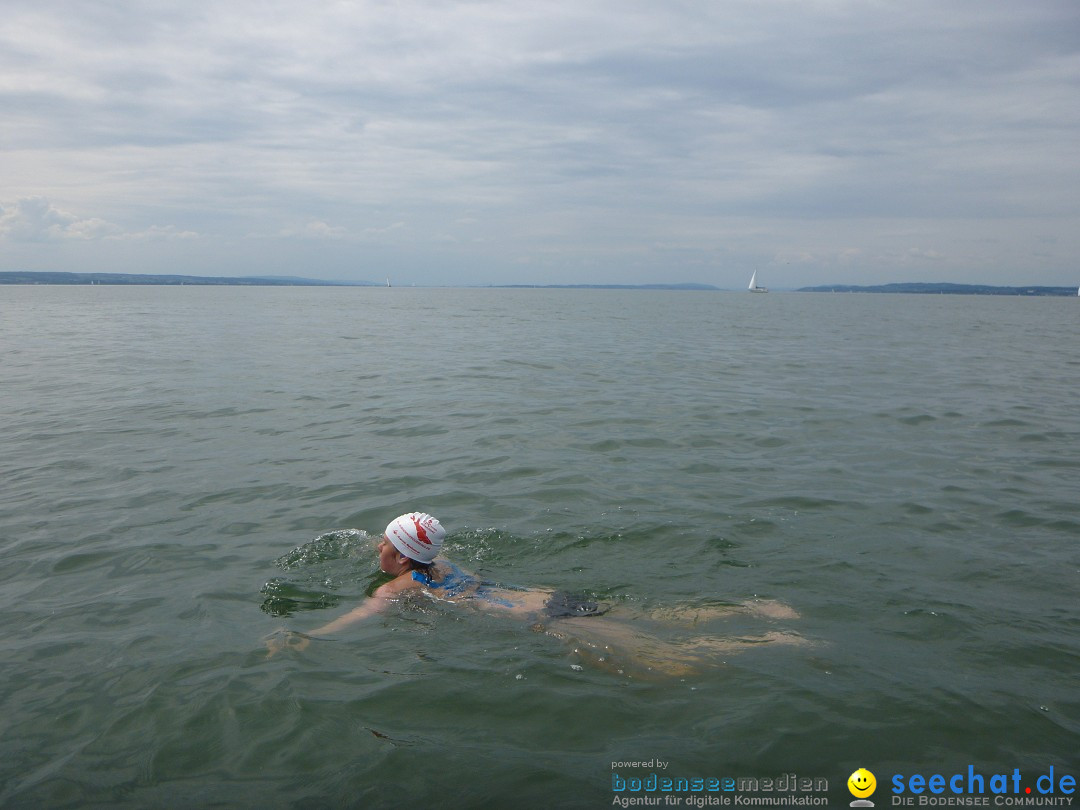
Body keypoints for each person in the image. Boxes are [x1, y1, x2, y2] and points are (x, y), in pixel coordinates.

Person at [265, 512, 805, 676]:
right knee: (661, 615)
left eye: (384, 542)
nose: (377, 546)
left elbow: (358, 615)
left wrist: (303, 635)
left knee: (668, 663)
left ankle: (766, 641)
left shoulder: (401, 586)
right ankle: (754, 610)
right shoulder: (440, 561)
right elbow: (410, 546)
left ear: (402, 558)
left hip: (546, 622)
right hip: (550, 596)